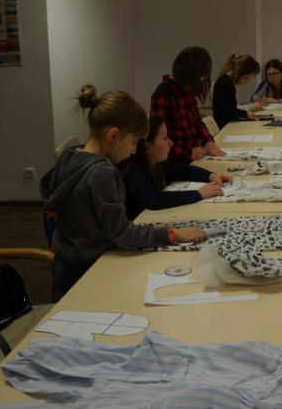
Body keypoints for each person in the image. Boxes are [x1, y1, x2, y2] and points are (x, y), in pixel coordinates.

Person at [41, 85, 206, 297]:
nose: (133, 151)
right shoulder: (102, 172)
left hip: (66, 263)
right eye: (134, 142)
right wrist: (172, 233)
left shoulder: (70, 156)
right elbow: (123, 234)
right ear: (113, 135)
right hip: (90, 271)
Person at [121, 115, 233, 220]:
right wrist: (199, 194)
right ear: (147, 148)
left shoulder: (157, 164)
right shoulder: (134, 173)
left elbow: (184, 170)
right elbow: (154, 199)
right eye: (165, 138)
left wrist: (211, 175)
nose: (171, 143)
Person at [151, 46, 224, 164]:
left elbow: (197, 122)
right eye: (197, 80)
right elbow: (156, 136)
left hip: (193, 159)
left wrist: (208, 141)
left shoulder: (188, 92)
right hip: (173, 161)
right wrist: (187, 152)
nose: (197, 84)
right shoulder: (163, 93)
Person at [212, 54, 261, 128]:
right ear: (239, 71)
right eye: (246, 78)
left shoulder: (229, 81)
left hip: (228, 123)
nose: (245, 82)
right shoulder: (225, 82)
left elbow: (231, 107)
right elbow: (228, 111)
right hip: (225, 126)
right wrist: (246, 114)